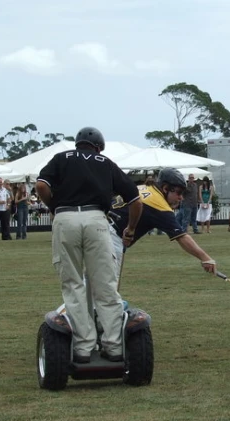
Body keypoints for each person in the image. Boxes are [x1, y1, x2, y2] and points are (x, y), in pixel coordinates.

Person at [35, 126, 143, 364]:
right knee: (104, 283)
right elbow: (135, 199)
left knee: (73, 283)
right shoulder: (105, 162)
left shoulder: (61, 158)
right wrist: (131, 229)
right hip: (96, 219)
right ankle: (114, 346)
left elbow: (41, 186)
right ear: (98, 147)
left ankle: (83, 347)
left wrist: (54, 207)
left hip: (65, 218)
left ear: (77, 143)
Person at [108, 167, 217, 278]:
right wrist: (206, 258)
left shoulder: (143, 187)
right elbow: (182, 237)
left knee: (95, 285)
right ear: (165, 188)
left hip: (100, 228)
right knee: (107, 291)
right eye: (179, 192)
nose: (181, 198)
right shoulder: (158, 204)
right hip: (111, 238)